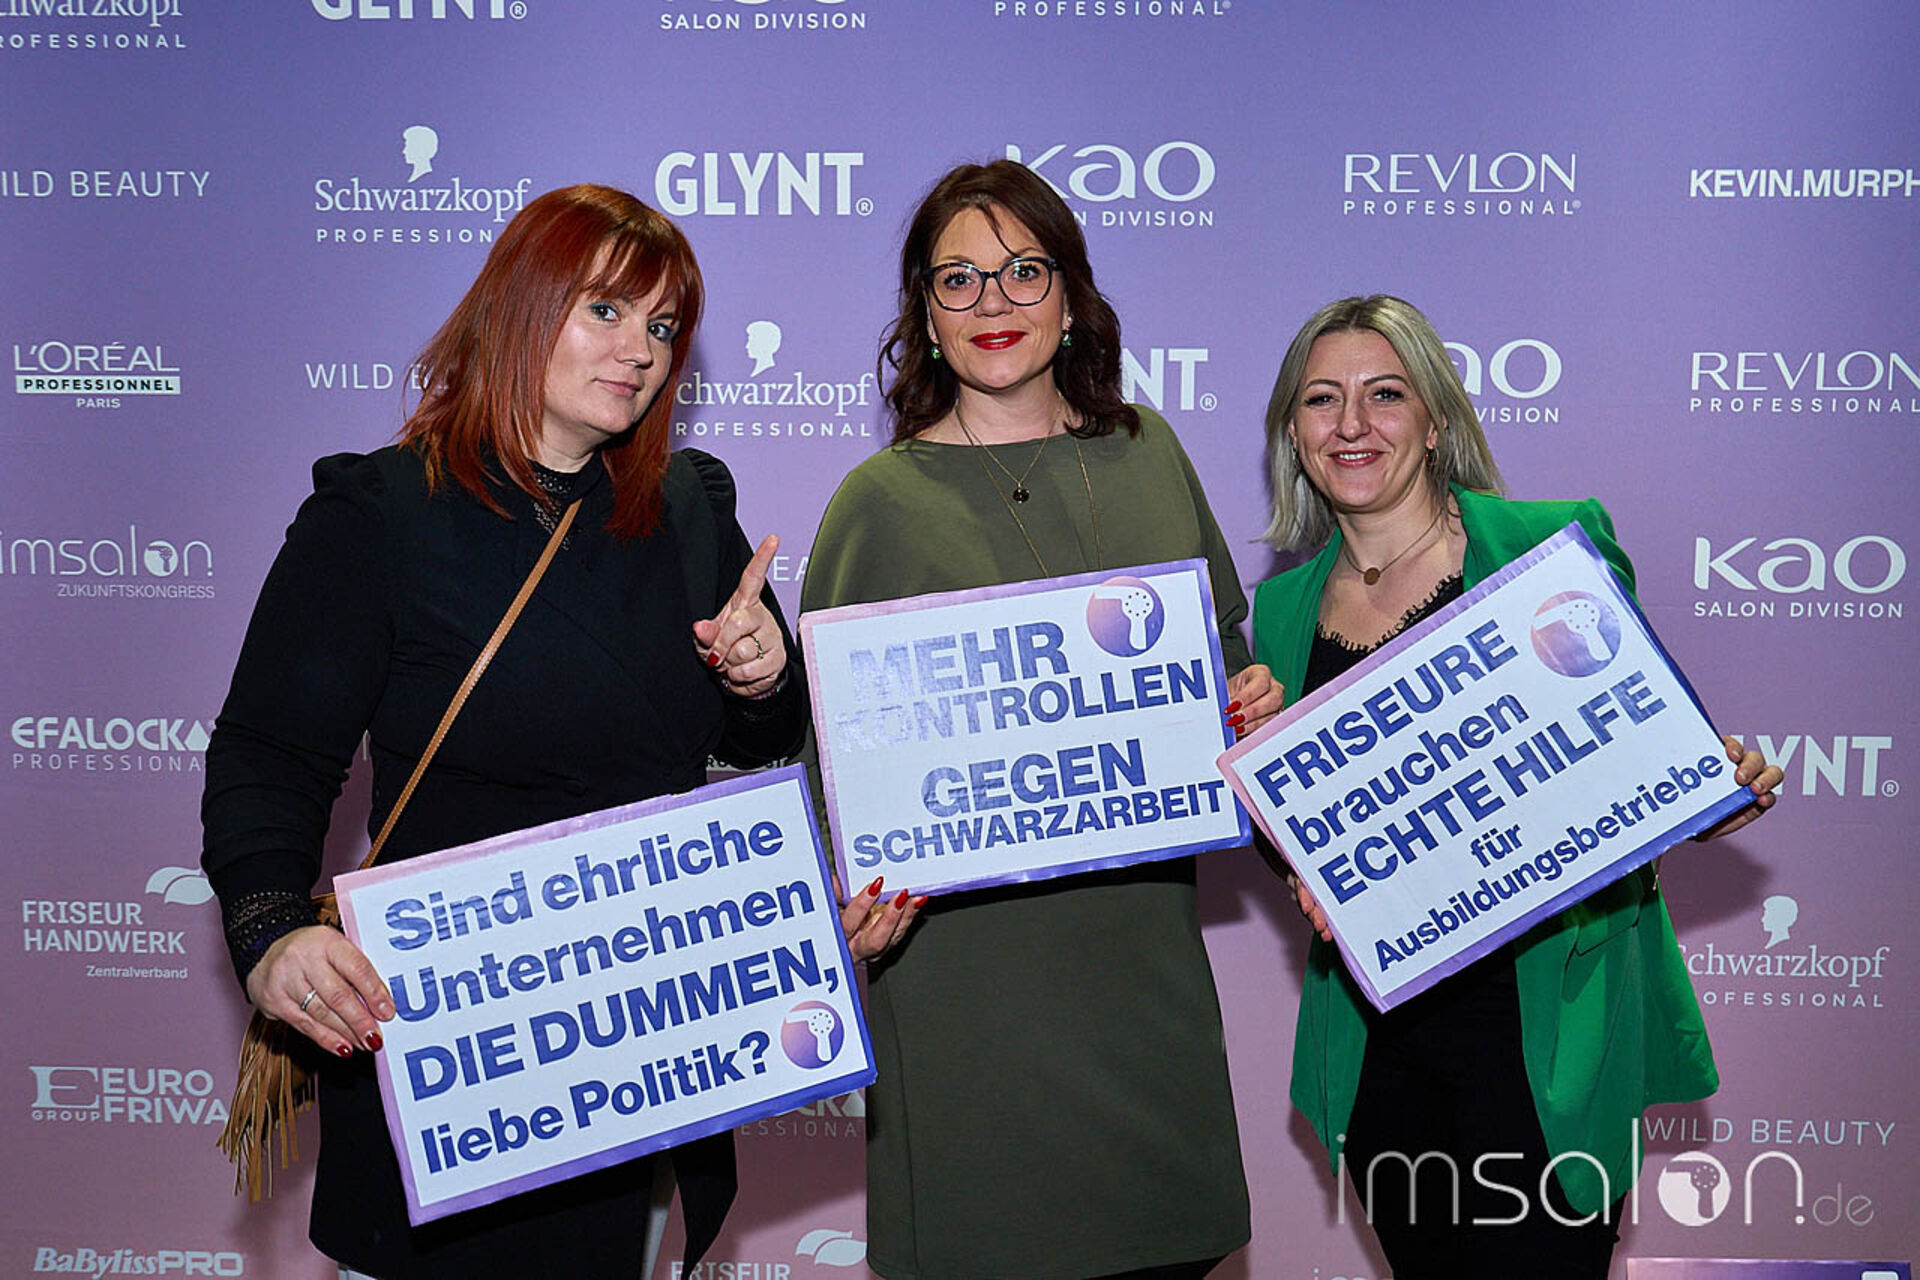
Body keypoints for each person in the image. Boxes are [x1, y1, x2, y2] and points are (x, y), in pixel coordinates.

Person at [200, 184, 914, 1279]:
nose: (640, 351)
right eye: (606, 311)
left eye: (663, 327)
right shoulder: (381, 514)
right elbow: (270, 754)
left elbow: (749, 760)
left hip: (632, 1045)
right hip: (444, 1041)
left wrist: (765, 681)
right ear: (521, 308)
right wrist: (269, 931)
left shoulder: (686, 509)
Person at [801, 159, 1281, 1280]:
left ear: (1071, 295)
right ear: (924, 313)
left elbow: (1223, 663)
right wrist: (846, 902)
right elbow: (834, 767)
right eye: (958, 279)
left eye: (1025, 270)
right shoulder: (876, 503)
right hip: (966, 1001)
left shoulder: (1150, 453)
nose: (995, 302)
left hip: (1141, 983)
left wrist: (1250, 702)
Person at [1254, 294, 1783, 1277]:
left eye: (1385, 394)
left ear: (1435, 420)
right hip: (1381, 1054)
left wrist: (1710, 790)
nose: (1352, 423)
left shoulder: (1548, 546)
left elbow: (1634, 751)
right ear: (1294, 432)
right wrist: (1291, 859)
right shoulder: (1281, 608)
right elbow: (1300, 828)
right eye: (1322, 399)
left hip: (1545, 1037)